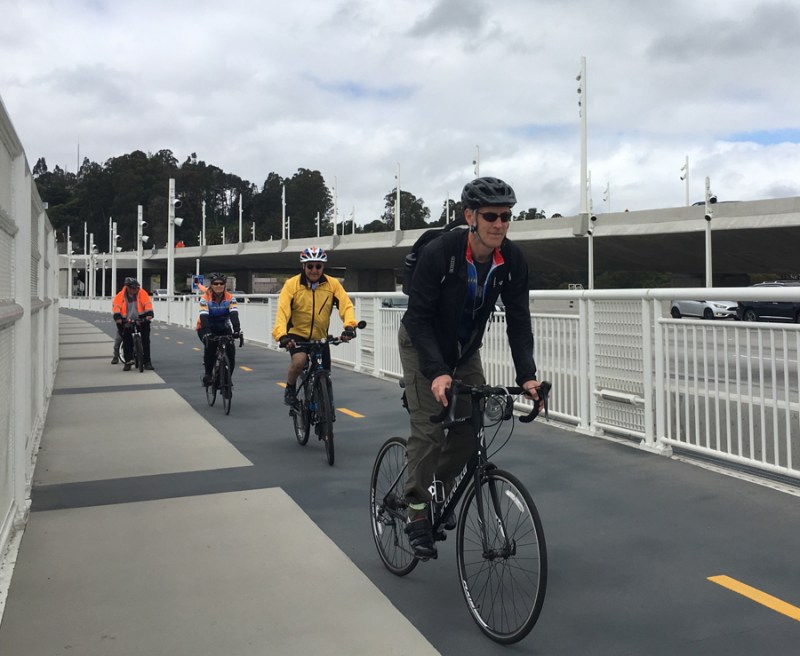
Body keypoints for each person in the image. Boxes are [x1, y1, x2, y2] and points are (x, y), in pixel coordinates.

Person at [399, 176, 545, 560]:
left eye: (506, 217)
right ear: (471, 216)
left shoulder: (511, 260)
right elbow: (417, 318)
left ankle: (438, 491)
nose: (499, 224)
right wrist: (435, 371)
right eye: (491, 216)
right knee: (431, 429)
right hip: (421, 344)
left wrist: (527, 375)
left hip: (464, 353)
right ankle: (415, 509)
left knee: (469, 429)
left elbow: (519, 320)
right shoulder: (443, 253)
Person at [271, 246, 358, 405]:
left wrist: (350, 326)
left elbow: (346, 306)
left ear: (323, 267)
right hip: (297, 335)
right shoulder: (292, 285)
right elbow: (282, 312)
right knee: (299, 362)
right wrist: (282, 335)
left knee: (325, 373)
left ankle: (325, 410)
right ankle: (290, 388)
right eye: (310, 266)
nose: (314, 270)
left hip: (320, 336)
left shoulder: (332, 284)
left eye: (318, 266)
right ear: (303, 266)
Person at [196, 273, 241, 386]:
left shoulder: (230, 297)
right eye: (216, 283)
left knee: (230, 353)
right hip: (206, 326)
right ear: (211, 285)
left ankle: (226, 379)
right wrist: (206, 332)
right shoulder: (205, 298)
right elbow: (204, 316)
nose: (219, 285)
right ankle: (208, 374)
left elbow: (234, 314)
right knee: (210, 346)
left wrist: (237, 329)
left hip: (223, 327)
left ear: (225, 285)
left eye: (222, 283)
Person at [112, 277, 155, 370]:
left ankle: (147, 362)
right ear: (127, 287)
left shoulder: (142, 293)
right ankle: (128, 361)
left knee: (145, 340)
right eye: (133, 288)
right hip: (126, 320)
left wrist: (149, 314)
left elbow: (147, 303)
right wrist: (117, 317)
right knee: (126, 339)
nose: (136, 290)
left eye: (137, 288)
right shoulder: (120, 295)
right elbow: (116, 306)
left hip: (141, 319)